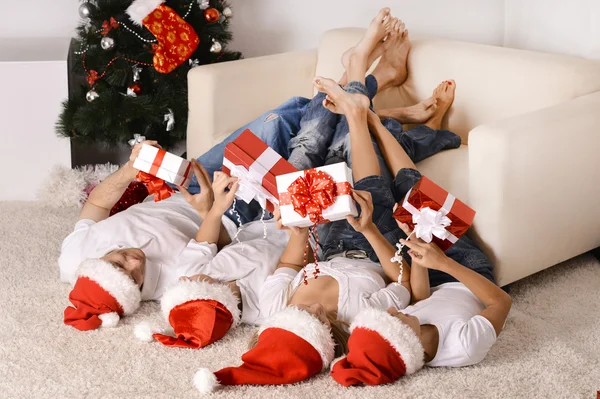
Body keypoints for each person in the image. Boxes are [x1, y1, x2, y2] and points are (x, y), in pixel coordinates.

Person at [60, 141, 245, 330]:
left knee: (270, 124)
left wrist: (133, 167)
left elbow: (97, 205)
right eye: (133, 278)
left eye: (117, 263)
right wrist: (210, 209)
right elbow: (225, 248)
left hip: (179, 185)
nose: (135, 262)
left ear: (97, 260)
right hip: (230, 211)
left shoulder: (73, 256)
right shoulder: (176, 283)